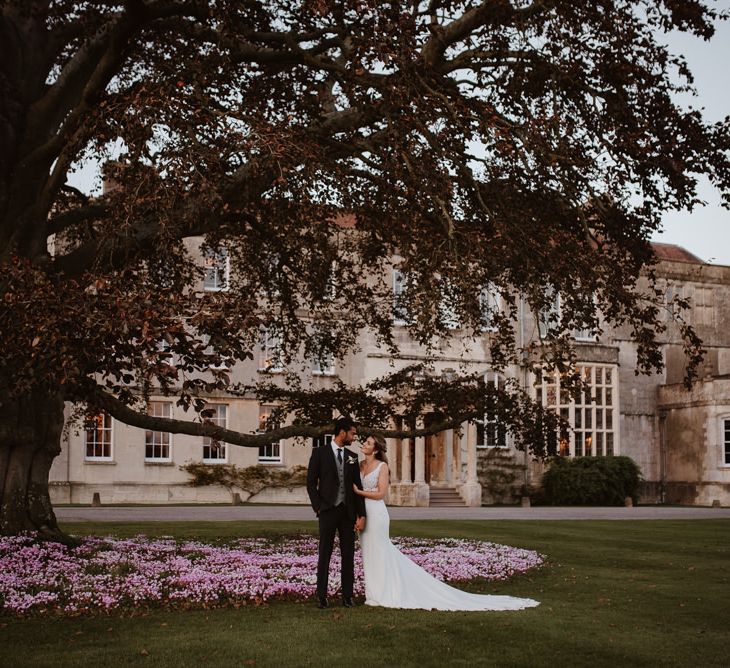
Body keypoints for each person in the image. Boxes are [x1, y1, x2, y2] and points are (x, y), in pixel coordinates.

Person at [353, 435, 540, 611]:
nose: (364, 445)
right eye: (365, 442)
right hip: (363, 512)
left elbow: (380, 494)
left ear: (376, 450)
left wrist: (359, 492)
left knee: (380, 550)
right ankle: (373, 593)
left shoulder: (382, 466)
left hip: (377, 513)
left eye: (368, 443)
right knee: (368, 552)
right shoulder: (359, 466)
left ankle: (383, 593)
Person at [306, 417, 366, 609]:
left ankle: (347, 596)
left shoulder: (352, 456)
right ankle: (322, 596)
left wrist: (361, 514)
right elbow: (310, 482)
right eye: (352, 433)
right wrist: (318, 506)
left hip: (347, 512)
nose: (354, 437)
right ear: (342, 432)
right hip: (327, 511)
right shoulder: (319, 453)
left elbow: (357, 487)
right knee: (325, 553)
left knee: (348, 555)